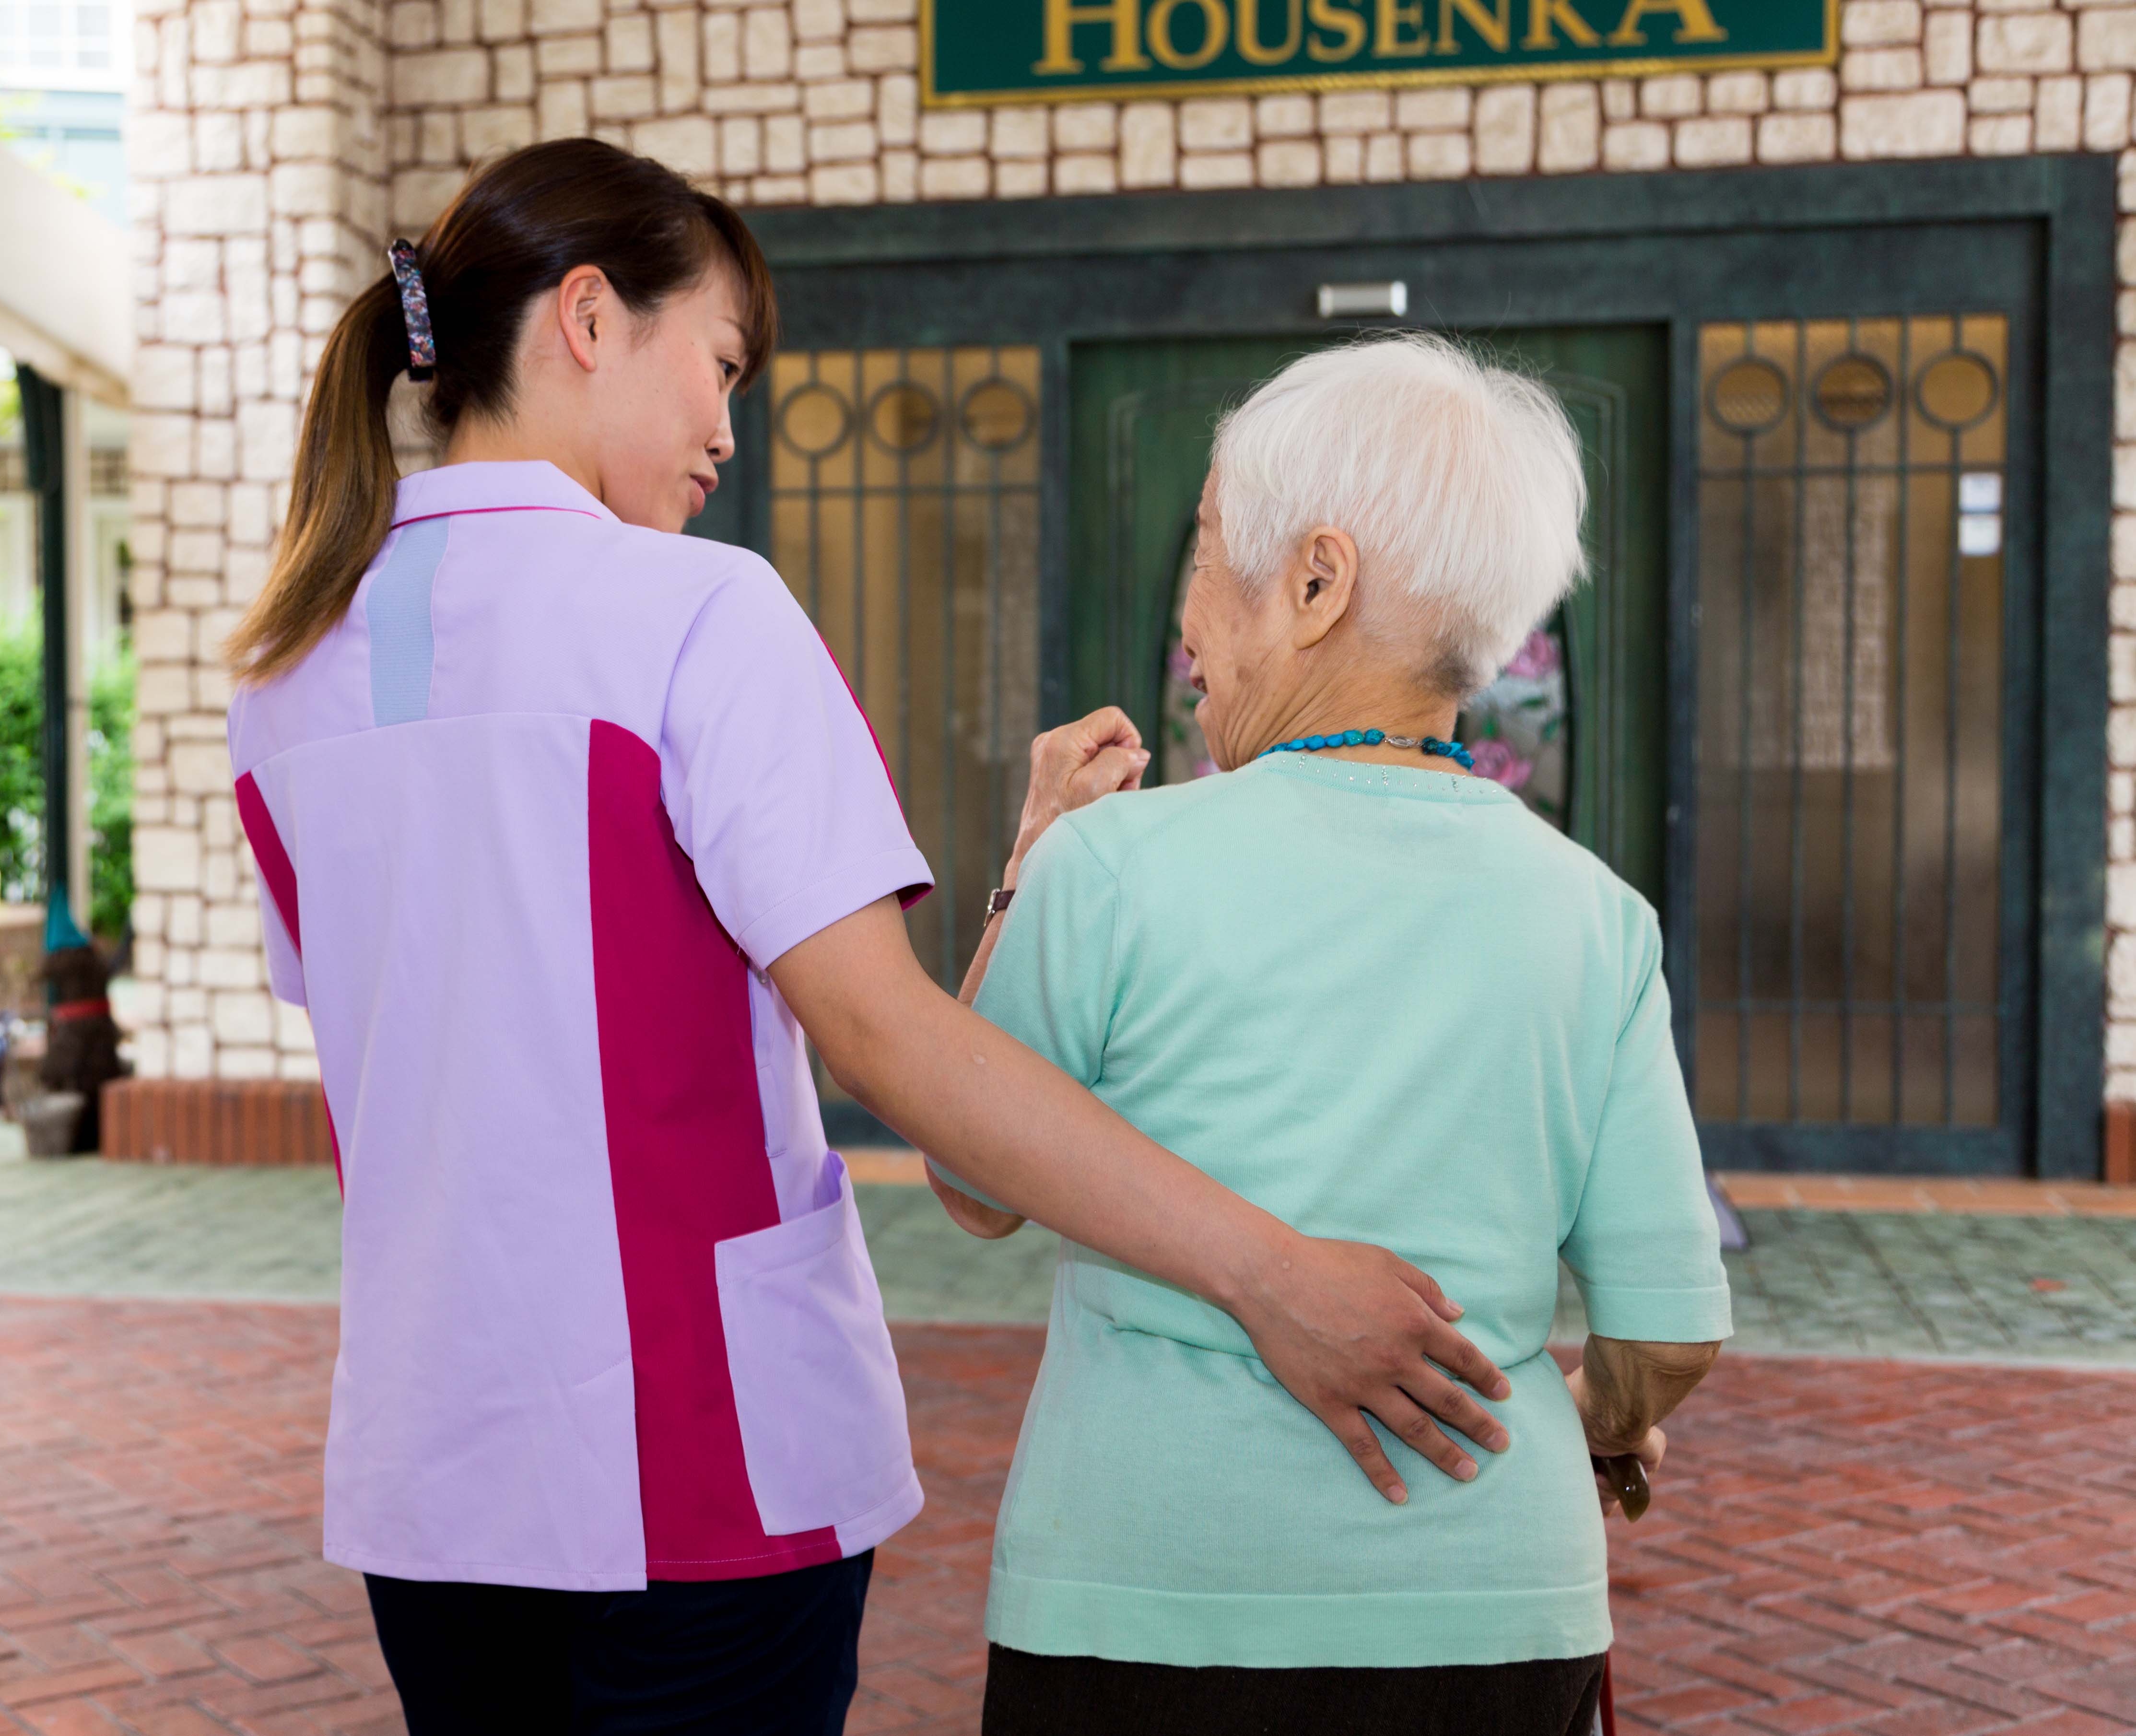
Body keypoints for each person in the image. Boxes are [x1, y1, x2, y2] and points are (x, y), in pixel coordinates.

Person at [222, 140, 1520, 1736]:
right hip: (702, 1476)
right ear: (585, 318)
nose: (725, 425)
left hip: (434, 1486)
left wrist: (1031, 863)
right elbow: (886, 1037)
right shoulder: (697, 614)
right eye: (716, 363)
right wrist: (1271, 1276)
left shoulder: (280, 680)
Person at [932, 334, 1732, 1736]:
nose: (1186, 613)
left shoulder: (1112, 866)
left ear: (1314, 582)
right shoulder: (1597, 917)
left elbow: (973, 1179)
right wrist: (1608, 1422)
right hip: (1490, 1604)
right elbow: (1665, 1326)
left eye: (1202, 550)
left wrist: (1029, 858)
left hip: (1141, 1593)